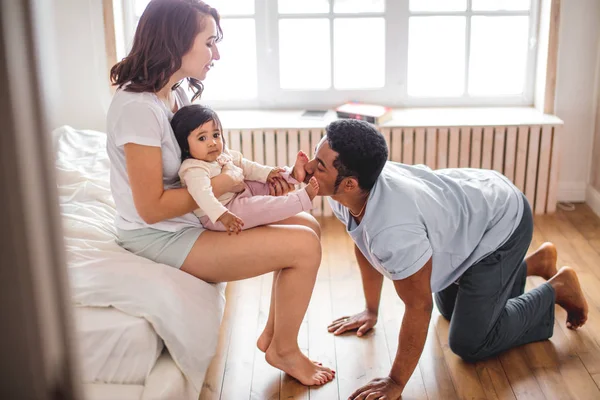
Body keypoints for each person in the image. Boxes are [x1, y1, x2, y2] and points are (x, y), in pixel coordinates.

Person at [106, 0, 334, 386]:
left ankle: (275, 338)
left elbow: (208, 162)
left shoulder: (171, 95)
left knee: (306, 223)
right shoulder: (137, 109)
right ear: (176, 40)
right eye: (209, 43)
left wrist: (260, 176)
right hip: (159, 234)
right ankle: (285, 349)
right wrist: (223, 187)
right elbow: (150, 208)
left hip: (186, 218)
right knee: (304, 247)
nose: (217, 54)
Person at [300, 119, 588, 399]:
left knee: (470, 342)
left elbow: (418, 305)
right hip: (469, 210)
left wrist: (395, 381)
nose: (310, 167)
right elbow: (363, 245)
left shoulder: (393, 230)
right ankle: (536, 263)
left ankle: (558, 288)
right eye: (315, 157)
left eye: (319, 165)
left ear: (349, 184)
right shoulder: (348, 194)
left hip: (501, 221)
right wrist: (370, 310)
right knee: (449, 309)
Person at [171, 104, 319, 234]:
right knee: (264, 207)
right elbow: (202, 195)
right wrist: (223, 215)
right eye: (202, 138)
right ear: (185, 145)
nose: (213, 142)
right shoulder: (193, 168)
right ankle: (302, 198)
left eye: (216, 135)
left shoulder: (221, 154)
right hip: (222, 212)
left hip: (238, 193)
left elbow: (245, 166)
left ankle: (292, 174)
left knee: (266, 181)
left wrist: (268, 173)